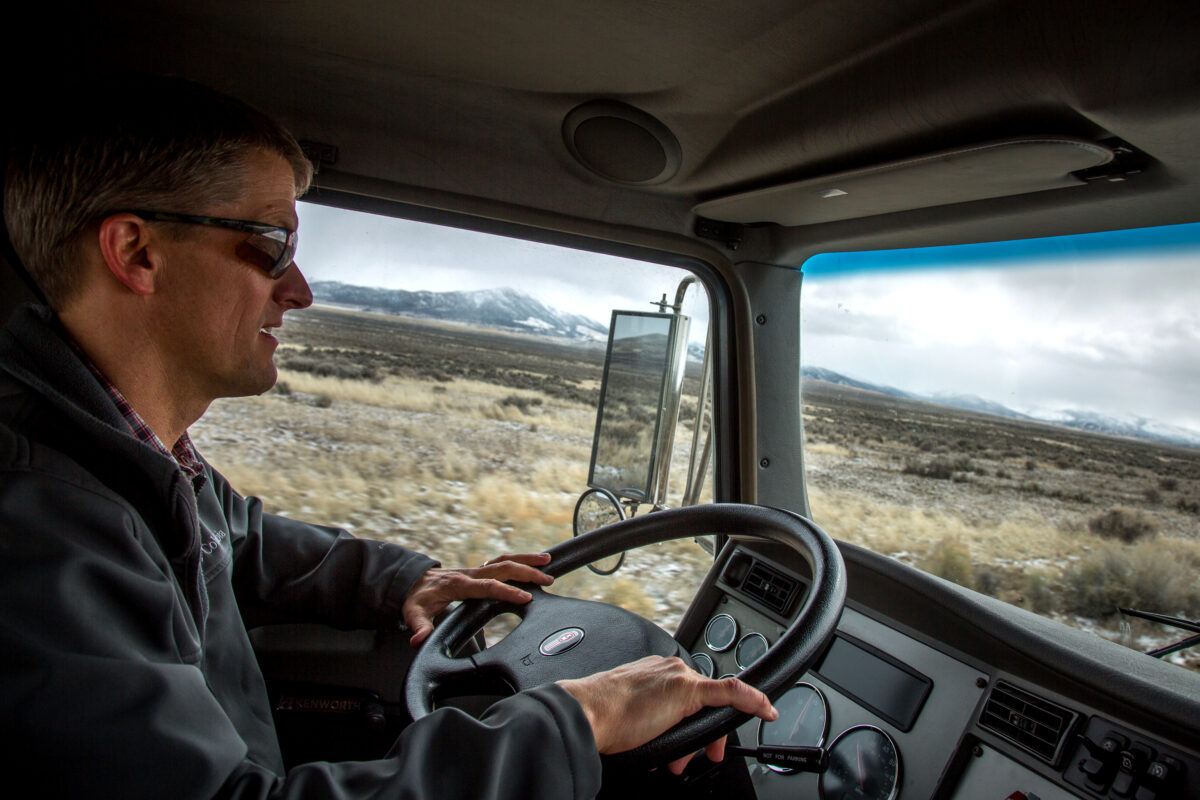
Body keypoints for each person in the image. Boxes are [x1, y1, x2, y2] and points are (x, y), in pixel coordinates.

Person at [0, 75, 776, 799]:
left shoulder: (130, 458)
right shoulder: (38, 530)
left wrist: (405, 579)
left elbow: (239, 540)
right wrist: (577, 720)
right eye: (272, 247)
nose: (299, 291)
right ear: (137, 253)